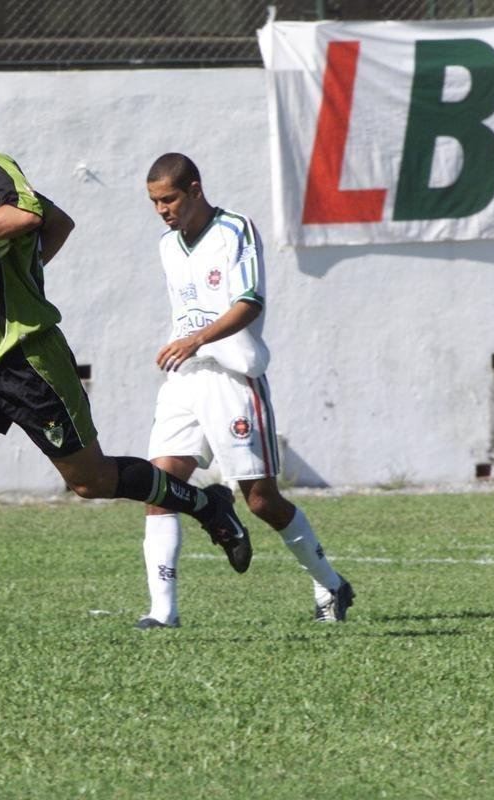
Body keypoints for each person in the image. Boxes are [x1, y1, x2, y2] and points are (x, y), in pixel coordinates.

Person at [0, 85, 252, 651]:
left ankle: (205, 502)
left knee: (89, 481)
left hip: (30, 361)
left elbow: (30, 214)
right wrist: (26, 269)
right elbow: (57, 221)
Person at [135, 152, 355, 629]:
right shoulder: (167, 246)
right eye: (154, 202)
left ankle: (331, 585)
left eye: (169, 199)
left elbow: (249, 303)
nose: (162, 210)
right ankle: (163, 612)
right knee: (161, 487)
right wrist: (184, 345)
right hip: (184, 379)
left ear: (195, 189)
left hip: (233, 379)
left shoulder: (236, 229)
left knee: (261, 501)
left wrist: (197, 338)